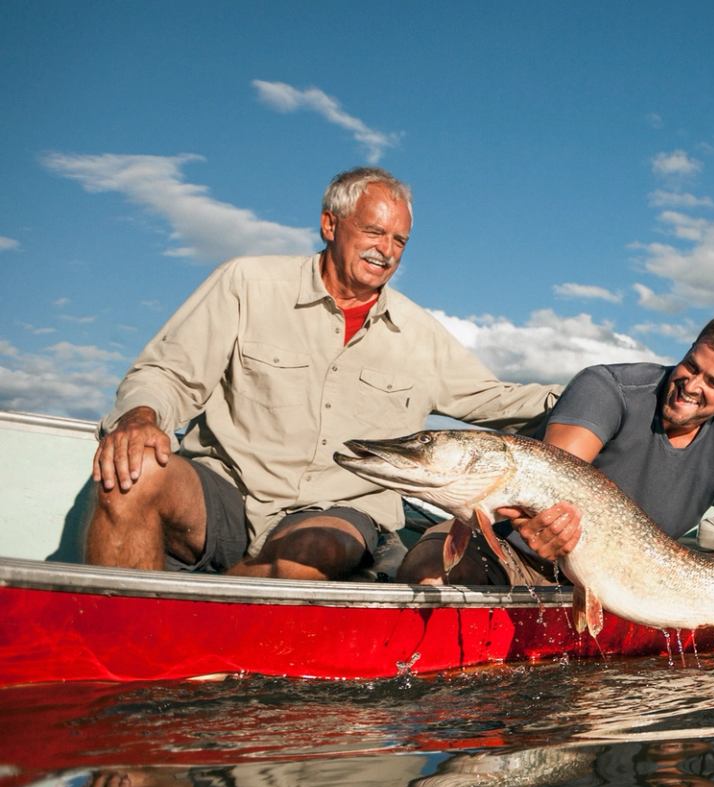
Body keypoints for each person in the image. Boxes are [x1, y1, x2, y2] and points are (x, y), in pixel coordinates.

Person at [86, 167, 559, 579]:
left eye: (399, 241)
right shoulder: (246, 283)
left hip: (339, 513)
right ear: (330, 224)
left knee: (313, 551)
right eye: (374, 232)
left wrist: (610, 391)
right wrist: (140, 418)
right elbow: (166, 373)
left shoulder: (420, 333)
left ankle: (191, 623)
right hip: (227, 492)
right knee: (133, 471)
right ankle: (113, 645)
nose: (386, 251)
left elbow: (500, 402)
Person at [401, 315, 714, 631]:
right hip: (508, 550)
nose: (690, 385)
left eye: (713, 383)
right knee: (427, 570)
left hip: (612, 589)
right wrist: (542, 525)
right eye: (690, 365)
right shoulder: (609, 387)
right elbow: (550, 476)